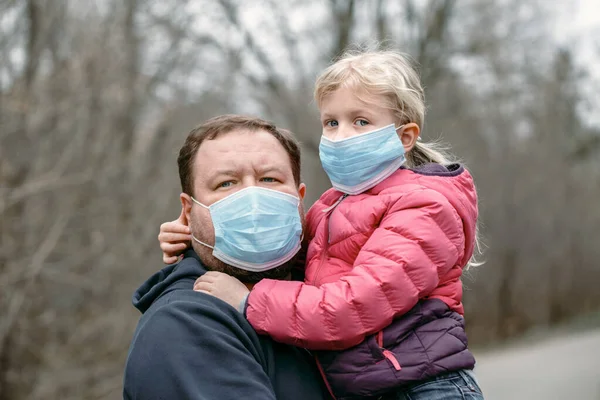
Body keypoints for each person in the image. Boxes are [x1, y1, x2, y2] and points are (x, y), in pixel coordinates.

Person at [161, 50, 485, 399]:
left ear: (404, 137)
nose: (341, 135)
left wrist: (249, 301)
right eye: (331, 122)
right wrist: (198, 236)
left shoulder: (424, 206)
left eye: (360, 122)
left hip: (423, 389)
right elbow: (288, 263)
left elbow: (353, 307)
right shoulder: (332, 204)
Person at [123, 115, 329, 400]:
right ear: (188, 211)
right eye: (226, 184)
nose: (253, 199)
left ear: (299, 199)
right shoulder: (186, 326)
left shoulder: (331, 298)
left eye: (269, 179)